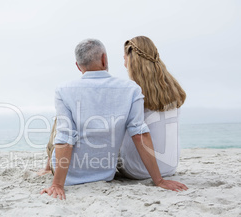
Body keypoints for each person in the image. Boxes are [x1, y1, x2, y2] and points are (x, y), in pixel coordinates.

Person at [40, 38, 188, 200]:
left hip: (68, 174)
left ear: (78, 66)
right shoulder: (131, 90)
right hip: (105, 173)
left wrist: (57, 185)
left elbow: (65, 139)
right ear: (104, 59)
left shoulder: (63, 90)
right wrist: (158, 180)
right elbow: (140, 134)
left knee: (61, 123)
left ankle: (47, 167)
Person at [118, 36, 186, 179]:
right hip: (170, 166)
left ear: (131, 61)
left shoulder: (132, 91)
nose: (124, 63)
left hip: (139, 169)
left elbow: (138, 135)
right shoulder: (173, 88)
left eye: (124, 58)